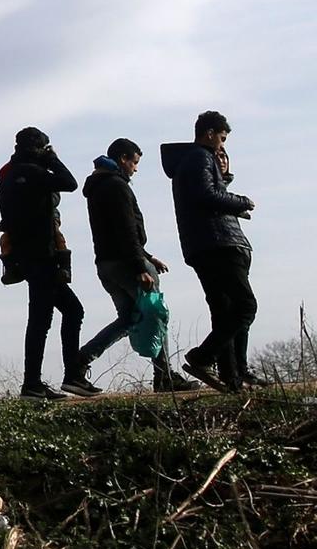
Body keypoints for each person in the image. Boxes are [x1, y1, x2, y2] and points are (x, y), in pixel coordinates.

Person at [76, 139, 197, 392]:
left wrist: (147, 255)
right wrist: (140, 265)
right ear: (122, 159)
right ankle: (165, 377)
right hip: (127, 264)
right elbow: (126, 229)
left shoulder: (97, 187)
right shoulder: (117, 186)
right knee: (156, 314)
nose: (135, 168)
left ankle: (83, 358)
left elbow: (114, 231)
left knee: (129, 318)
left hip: (106, 265)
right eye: (134, 162)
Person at [161, 111, 263, 392]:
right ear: (209, 133)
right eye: (221, 137)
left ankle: (232, 379)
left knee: (223, 311)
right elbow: (206, 195)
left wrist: (225, 187)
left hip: (202, 245)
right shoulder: (200, 157)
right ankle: (203, 357)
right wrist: (240, 201)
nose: (222, 145)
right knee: (245, 306)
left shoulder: (190, 162)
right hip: (218, 243)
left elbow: (205, 195)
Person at [0, 128, 99, 399]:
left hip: (26, 256)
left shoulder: (8, 178)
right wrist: (52, 159)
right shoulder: (32, 173)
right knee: (49, 318)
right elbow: (70, 183)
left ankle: (50, 380)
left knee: (58, 314)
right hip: (42, 255)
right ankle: (43, 382)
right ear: (40, 148)